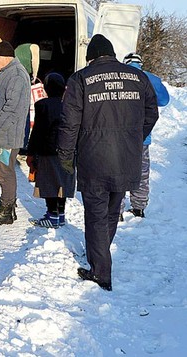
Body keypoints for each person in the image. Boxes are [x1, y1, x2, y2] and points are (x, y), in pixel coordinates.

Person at [57, 34, 159, 291]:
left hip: (95, 159)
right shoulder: (139, 78)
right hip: (127, 157)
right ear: (112, 54)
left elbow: (70, 124)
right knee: (112, 210)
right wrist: (135, 136)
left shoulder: (80, 79)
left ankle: (101, 272)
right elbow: (152, 113)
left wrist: (66, 155)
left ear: (90, 57)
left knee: (96, 215)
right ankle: (100, 255)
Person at [0, 41, 31, 226]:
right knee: (4, 171)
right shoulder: (7, 72)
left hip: (7, 136)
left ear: (5, 57)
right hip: (3, 133)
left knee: (5, 172)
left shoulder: (16, 74)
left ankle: (6, 211)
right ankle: (7, 207)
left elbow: (11, 108)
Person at [119, 52, 170, 221]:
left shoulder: (119, 77)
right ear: (140, 63)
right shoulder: (151, 79)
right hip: (142, 136)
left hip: (119, 134)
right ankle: (138, 208)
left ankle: (117, 209)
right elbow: (164, 101)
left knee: (118, 170)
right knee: (141, 171)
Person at [26, 73, 75, 228]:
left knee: (49, 184)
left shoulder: (42, 105)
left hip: (48, 151)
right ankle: (60, 214)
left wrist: (31, 152)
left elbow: (37, 132)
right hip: (67, 151)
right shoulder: (70, 106)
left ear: (46, 88)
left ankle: (52, 215)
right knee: (62, 183)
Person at [15, 43, 41, 155]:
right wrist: (35, 75)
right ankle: (23, 145)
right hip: (23, 77)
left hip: (14, 78)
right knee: (25, 112)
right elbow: (35, 60)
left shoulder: (18, 49)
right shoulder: (34, 47)